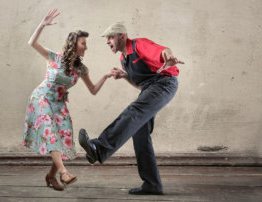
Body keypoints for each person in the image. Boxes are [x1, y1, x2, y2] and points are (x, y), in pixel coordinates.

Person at [79, 23, 184, 195]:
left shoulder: (138, 45)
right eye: (106, 39)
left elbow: (162, 50)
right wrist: (124, 76)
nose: (107, 42)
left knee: (134, 111)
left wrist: (169, 57)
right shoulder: (123, 60)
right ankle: (152, 184)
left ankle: (100, 148)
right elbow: (141, 85)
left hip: (165, 84)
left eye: (110, 37)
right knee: (139, 132)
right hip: (150, 89)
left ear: (122, 36)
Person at [22, 9, 113, 191]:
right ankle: (64, 173)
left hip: (58, 103)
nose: (86, 47)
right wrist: (42, 24)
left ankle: (50, 176)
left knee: (64, 137)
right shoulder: (54, 57)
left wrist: (106, 76)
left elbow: (93, 90)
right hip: (42, 98)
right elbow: (32, 42)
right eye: (83, 43)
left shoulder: (81, 69)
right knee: (50, 133)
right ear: (74, 43)